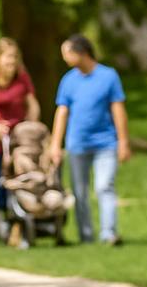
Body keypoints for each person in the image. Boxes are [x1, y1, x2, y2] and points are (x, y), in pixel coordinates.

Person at [49, 34, 130, 245]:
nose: (64, 58)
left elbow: (118, 109)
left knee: (104, 186)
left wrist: (123, 142)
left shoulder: (109, 76)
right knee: (80, 192)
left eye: (67, 53)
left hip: (106, 143)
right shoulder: (68, 80)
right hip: (77, 144)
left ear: (82, 53)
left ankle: (108, 233)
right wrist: (55, 145)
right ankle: (86, 236)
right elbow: (62, 113)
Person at [0, 37, 39, 216]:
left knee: (22, 178)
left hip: (19, 139)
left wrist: (29, 126)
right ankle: (5, 215)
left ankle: (22, 214)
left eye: (15, 57)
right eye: (8, 56)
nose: (12, 61)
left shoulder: (22, 78)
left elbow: (32, 104)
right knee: (1, 181)